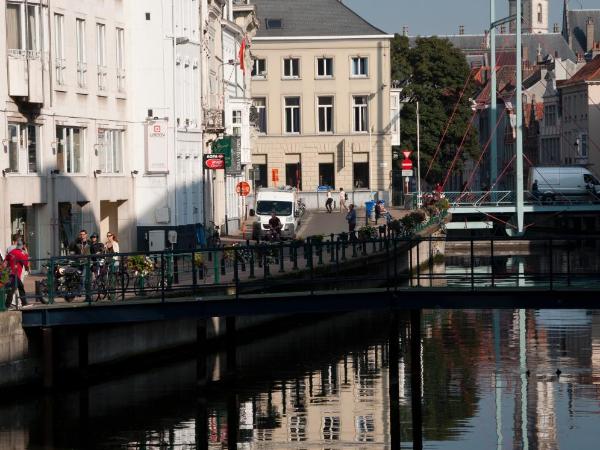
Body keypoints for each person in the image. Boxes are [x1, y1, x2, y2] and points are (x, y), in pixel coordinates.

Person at [5, 241, 30, 309]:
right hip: (15, 274)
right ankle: (7, 305)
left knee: (20, 286)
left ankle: (24, 303)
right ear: (22, 246)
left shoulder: (11, 252)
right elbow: (26, 264)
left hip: (10, 273)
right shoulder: (21, 254)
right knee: (12, 289)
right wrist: (26, 254)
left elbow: (6, 260)